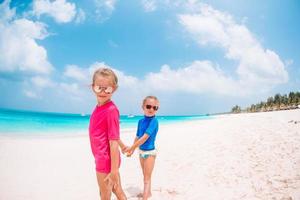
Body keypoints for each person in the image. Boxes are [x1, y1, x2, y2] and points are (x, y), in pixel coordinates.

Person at [89, 68, 127, 200]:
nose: (103, 92)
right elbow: (111, 134)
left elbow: (112, 141)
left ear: (114, 89)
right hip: (107, 159)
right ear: (93, 87)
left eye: (108, 89)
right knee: (118, 190)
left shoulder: (111, 110)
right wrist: (123, 146)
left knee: (104, 195)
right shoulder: (99, 107)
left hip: (105, 161)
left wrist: (114, 170)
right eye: (100, 88)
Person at [126, 96, 159, 200]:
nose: (151, 109)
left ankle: (145, 197)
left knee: (146, 178)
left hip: (150, 153)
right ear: (143, 107)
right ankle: (148, 193)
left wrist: (131, 147)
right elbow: (137, 136)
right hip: (141, 151)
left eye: (155, 108)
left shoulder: (154, 121)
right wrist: (132, 150)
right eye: (149, 106)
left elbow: (145, 137)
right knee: (145, 174)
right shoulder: (140, 121)